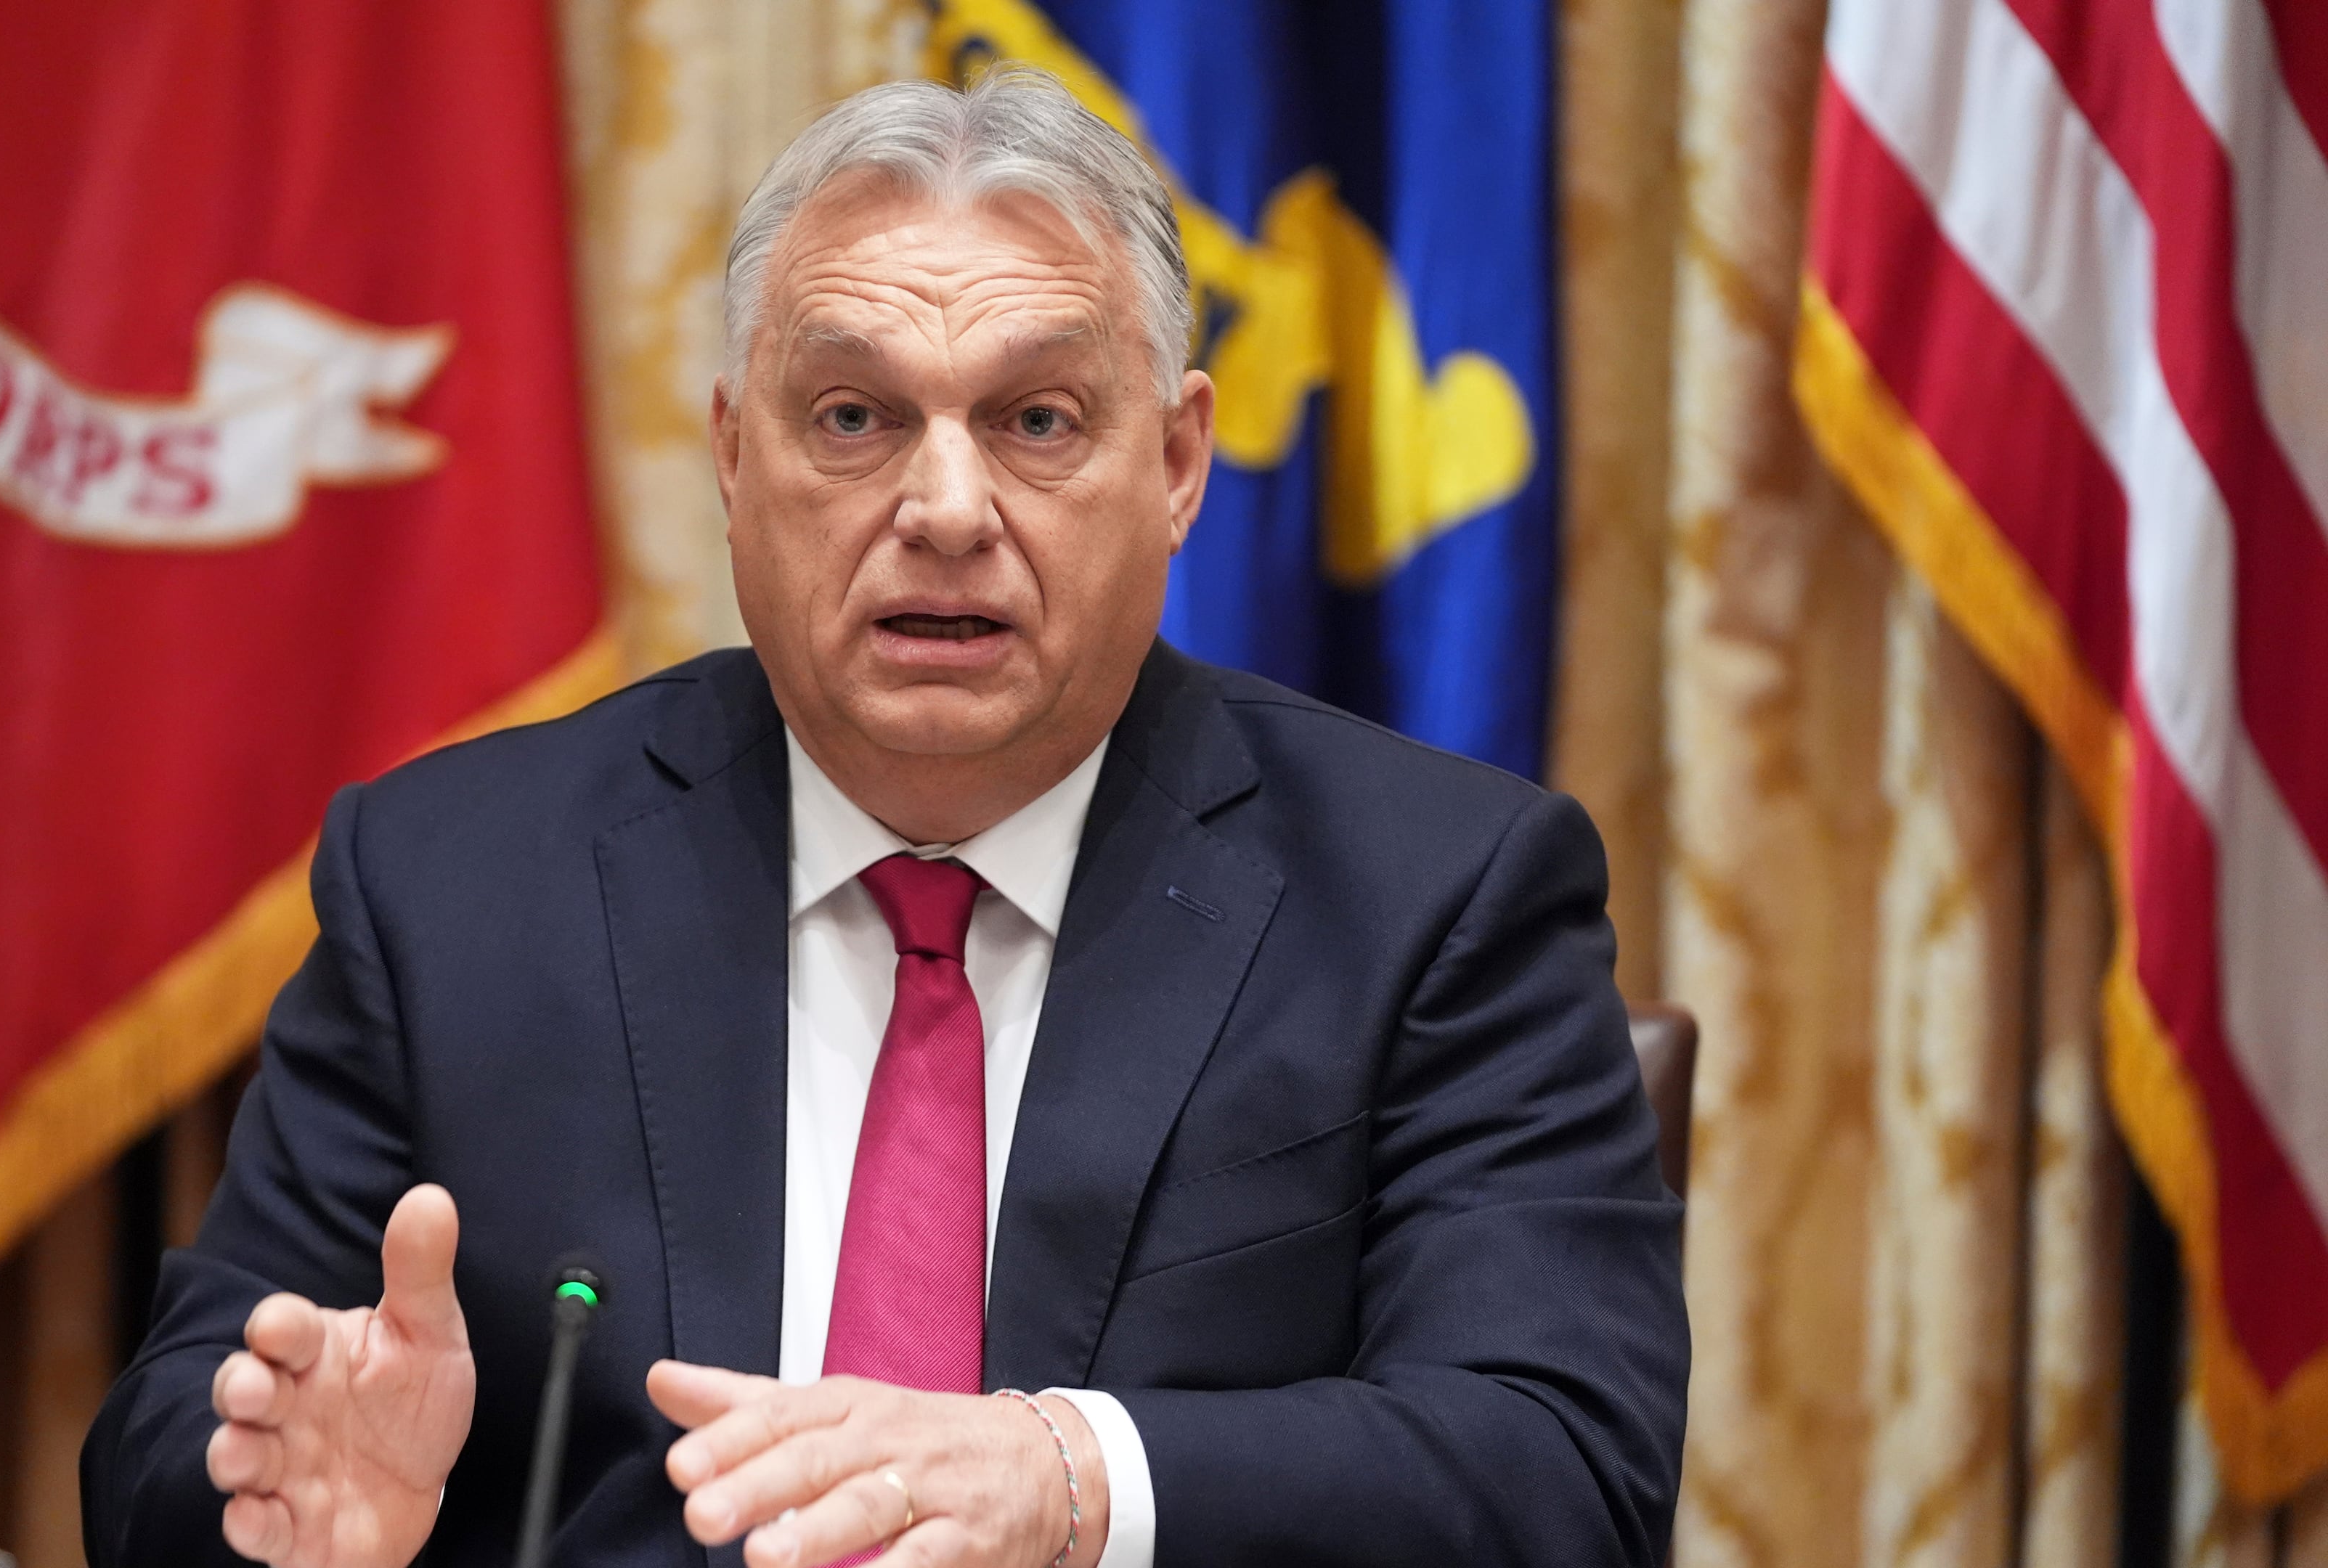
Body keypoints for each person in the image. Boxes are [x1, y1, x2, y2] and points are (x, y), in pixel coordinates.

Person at [81, 65, 1687, 1568]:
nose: (943, 511)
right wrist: (291, 1497)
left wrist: (1070, 1478)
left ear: (1182, 461)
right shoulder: (451, 884)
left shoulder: (1436, 896)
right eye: (853, 419)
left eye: (1036, 420)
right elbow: (167, 1440)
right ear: (733, 453)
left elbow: (1561, 1469)